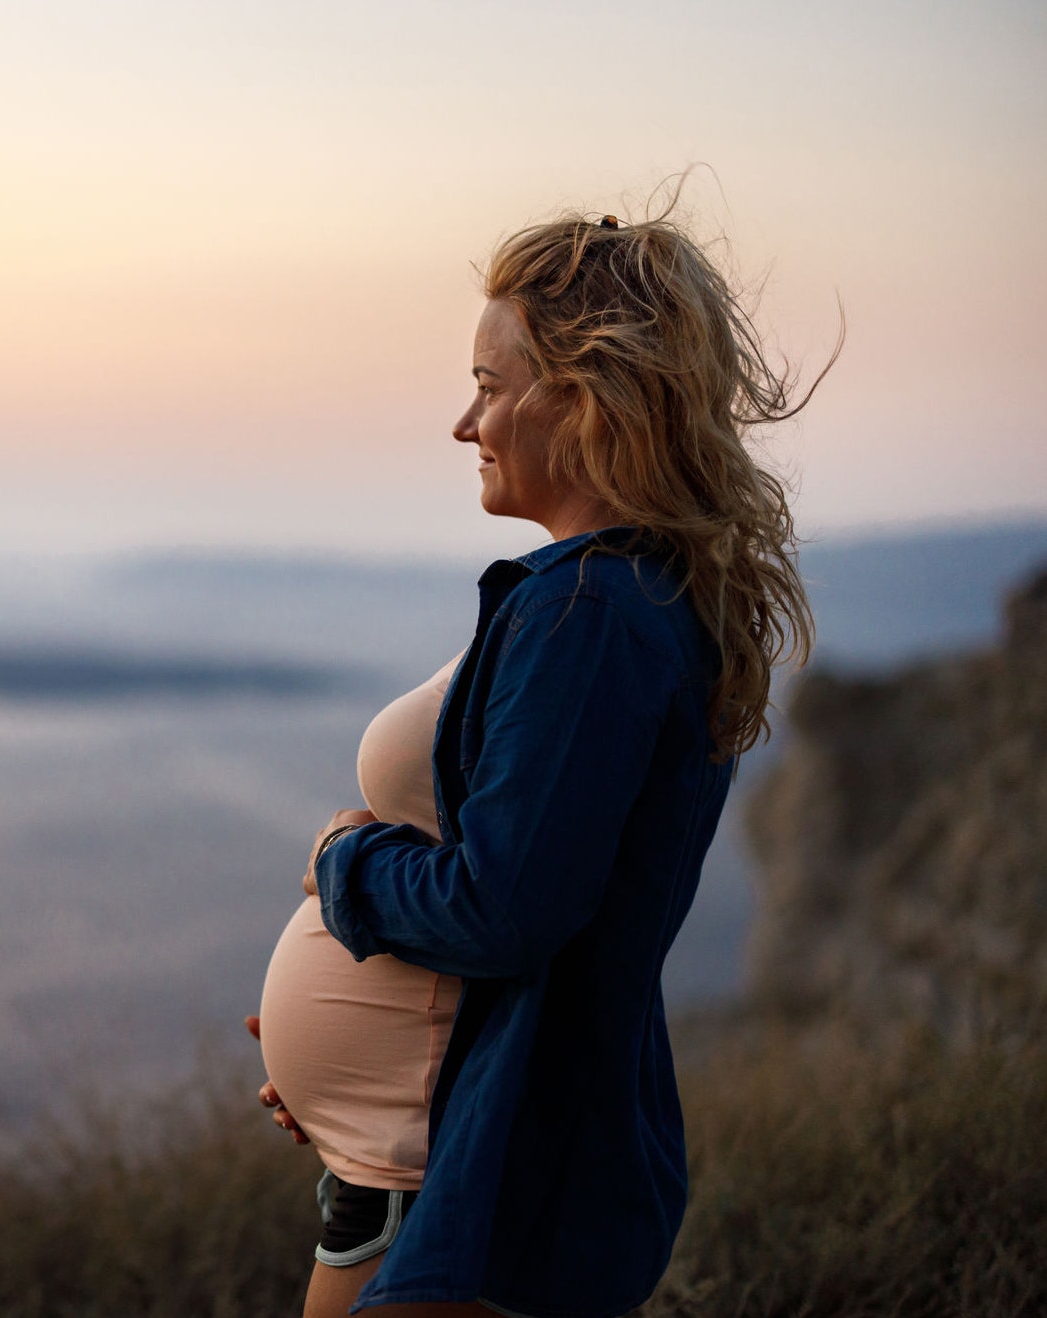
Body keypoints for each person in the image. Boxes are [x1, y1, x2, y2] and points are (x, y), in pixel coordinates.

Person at [248, 192, 833, 1317]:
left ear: (584, 396)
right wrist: (354, 1077)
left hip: (503, 1179)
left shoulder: (592, 612)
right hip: (427, 1148)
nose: (466, 424)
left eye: (488, 385)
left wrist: (342, 868)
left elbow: (504, 907)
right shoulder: (612, 596)